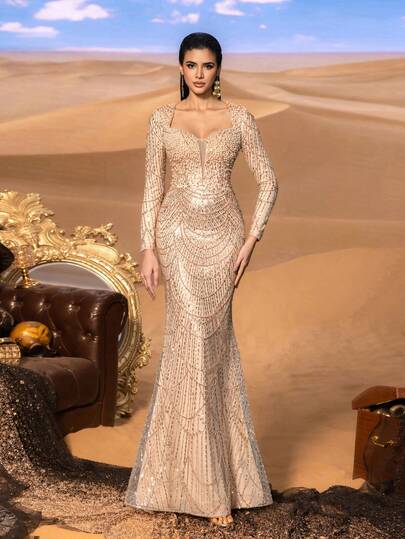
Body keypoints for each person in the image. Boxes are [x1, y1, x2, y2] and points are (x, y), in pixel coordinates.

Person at [125, 32, 279, 528]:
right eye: (191, 65)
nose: (198, 74)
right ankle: (200, 490)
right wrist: (147, 247)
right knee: (189, 344)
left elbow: (269, 181)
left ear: (218, 69)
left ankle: (214, 479)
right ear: (180, 67)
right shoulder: (161, 119)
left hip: (224, 240)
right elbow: (153, 185)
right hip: (176, 236)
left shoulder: (241, 118)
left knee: (214, 350)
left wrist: (250, 240)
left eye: (207, 65)